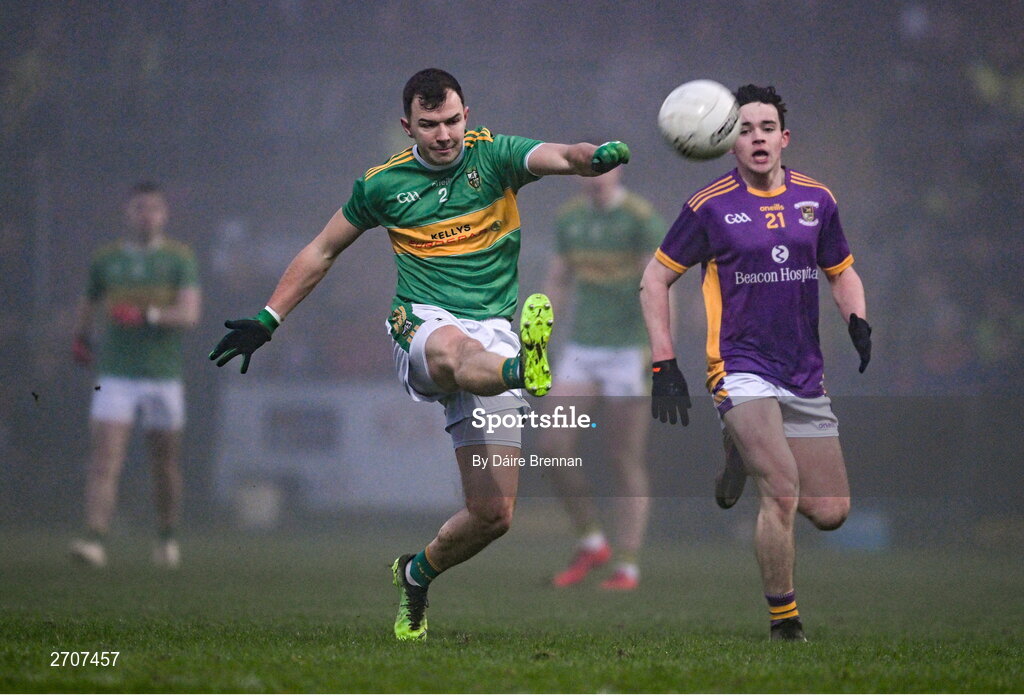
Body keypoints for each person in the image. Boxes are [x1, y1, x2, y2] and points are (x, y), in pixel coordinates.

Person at [208, 68, 631, 640]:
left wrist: (593, 158)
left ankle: (415, 572)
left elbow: (562, 155)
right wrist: (269, 317)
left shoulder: (497, 157)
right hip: (423, 326)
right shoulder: (382, 185)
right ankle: (522, 370)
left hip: (495, 331)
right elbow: (322, 249)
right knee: (456, 353)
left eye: (453, 120)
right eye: (429, 125)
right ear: (407, 126)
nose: (444, 135)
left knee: (494, 516)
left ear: (467, 115)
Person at [639, 85, 872, 641]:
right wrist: (663, 362)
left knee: (831, 510)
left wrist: (857, 319)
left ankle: (738, 448)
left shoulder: (818, 199)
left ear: (784, 138)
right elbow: (655, 278)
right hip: (739, 365)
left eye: (767, 127)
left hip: (802, 371)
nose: (758, 137)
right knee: (783, 490)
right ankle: (784, 621)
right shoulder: (709, 206)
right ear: (727, 142)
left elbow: (840, 270)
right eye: (744, 129)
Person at [539, 167, 663, 590]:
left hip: (629, 350)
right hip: (583, 348)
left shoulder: (640, 217)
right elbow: (557, 281)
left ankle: (627, 564)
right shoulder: (569, 219)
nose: (596, 176)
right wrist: (537, 337)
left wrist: (663, 352)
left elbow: (658, 286)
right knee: (552, 446)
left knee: (623, 457)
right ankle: (592, 540)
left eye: (605, 167)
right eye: (588, 168)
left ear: (620, 170)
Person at [70, 181, 202, 569]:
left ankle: (166, 537)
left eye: (154, 208)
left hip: (163, 375)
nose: (147, 215)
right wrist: (81, 337)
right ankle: (94, 539)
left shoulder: (180, 258)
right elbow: (88, 301)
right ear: (127, 213)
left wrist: (147, 315)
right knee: (105, 458)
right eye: (139, 208)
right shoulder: (106, 260)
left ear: (164, 215)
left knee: (165, 462)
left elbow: (190, 314)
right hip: (116, 374)